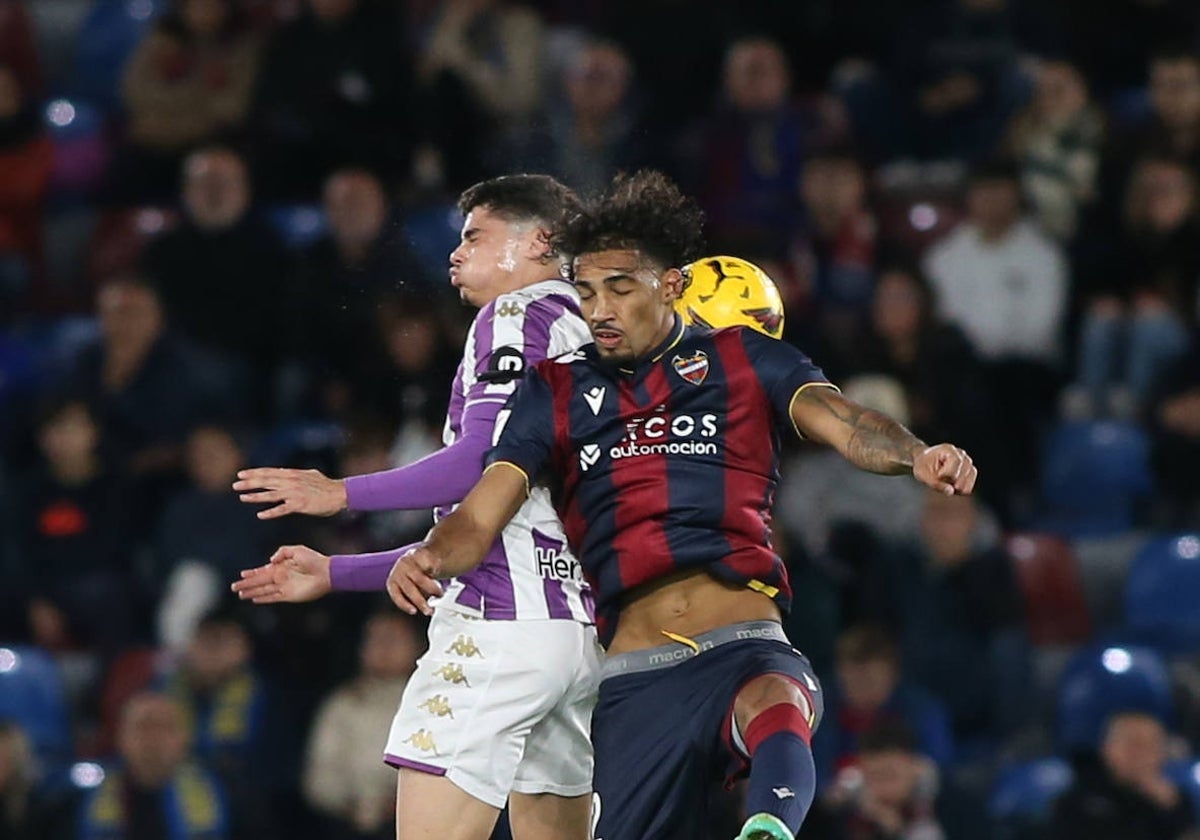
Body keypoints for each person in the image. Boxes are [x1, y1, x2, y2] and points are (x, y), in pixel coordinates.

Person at [387, 170, 977, 840]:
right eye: (586, 291)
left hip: (741, 640)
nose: (600, 309)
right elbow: (480, 512)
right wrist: (431, 556)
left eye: (618, 287)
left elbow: (845, 422)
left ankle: (767, 829)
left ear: (670, 286)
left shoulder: (741, 359)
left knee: (779, 701)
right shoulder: (554, 390)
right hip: (634, 679)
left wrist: (917, 455)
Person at [231, 175, 599, 840]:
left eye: (475, 237)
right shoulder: (588, 332)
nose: (456, 254)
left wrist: (341, 492)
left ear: (539, 242)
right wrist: (338, 572)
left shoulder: (516, 316)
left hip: (499, 630)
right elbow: (504, 520)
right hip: (571, 630)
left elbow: (486, 462)